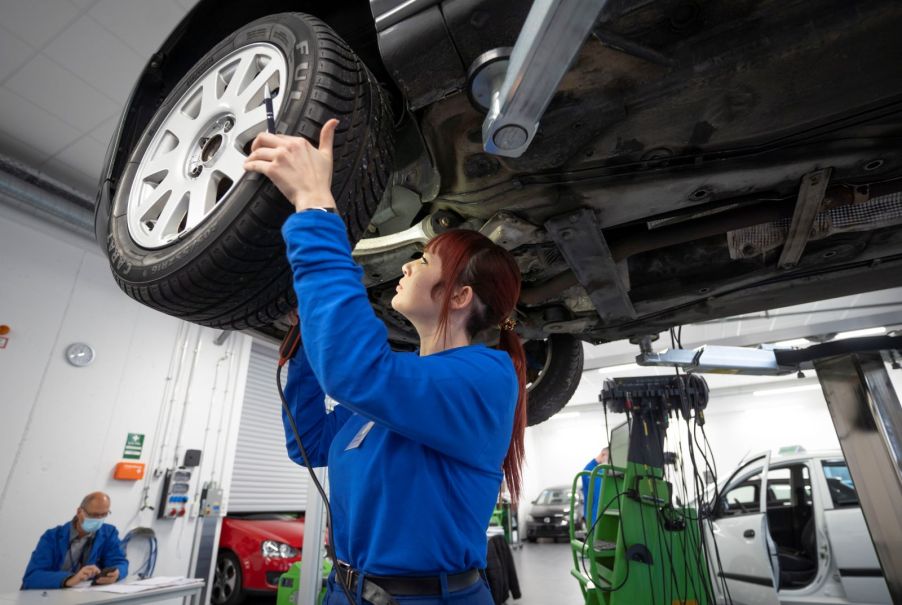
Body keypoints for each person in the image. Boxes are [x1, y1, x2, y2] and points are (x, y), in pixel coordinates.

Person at [244, 120, 527, 604]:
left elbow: (358, 372)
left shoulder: (486, 379)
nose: (406, 266)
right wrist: (311, 332)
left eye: (423, 260)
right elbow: (310, 444)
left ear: (458, 295)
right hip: (346, 593)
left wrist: (315, 203)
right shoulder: (398, 388)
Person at [21, 492, 128, 589]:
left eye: (104, 514)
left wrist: (117, 573)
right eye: (94, 515)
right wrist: (69, 579)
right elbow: (32, 576)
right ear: (79, 512)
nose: (98, 519)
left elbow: (120, 562)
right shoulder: (52, 537)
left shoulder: (109, 533)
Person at [581, 447, 609, 529]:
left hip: (594, 515)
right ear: (603, 454)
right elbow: (598, 495)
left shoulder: (595, 469)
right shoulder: (592, 470)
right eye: (609, 457)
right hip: (594, 516)